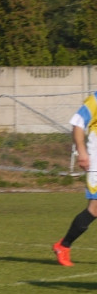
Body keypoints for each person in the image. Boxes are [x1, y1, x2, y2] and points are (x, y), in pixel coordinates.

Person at [52, 92, 97, 266]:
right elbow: (78, 123)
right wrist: (82, 151)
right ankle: (63, 246)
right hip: (96, 162)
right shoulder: (96, 99)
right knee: (95, 208)